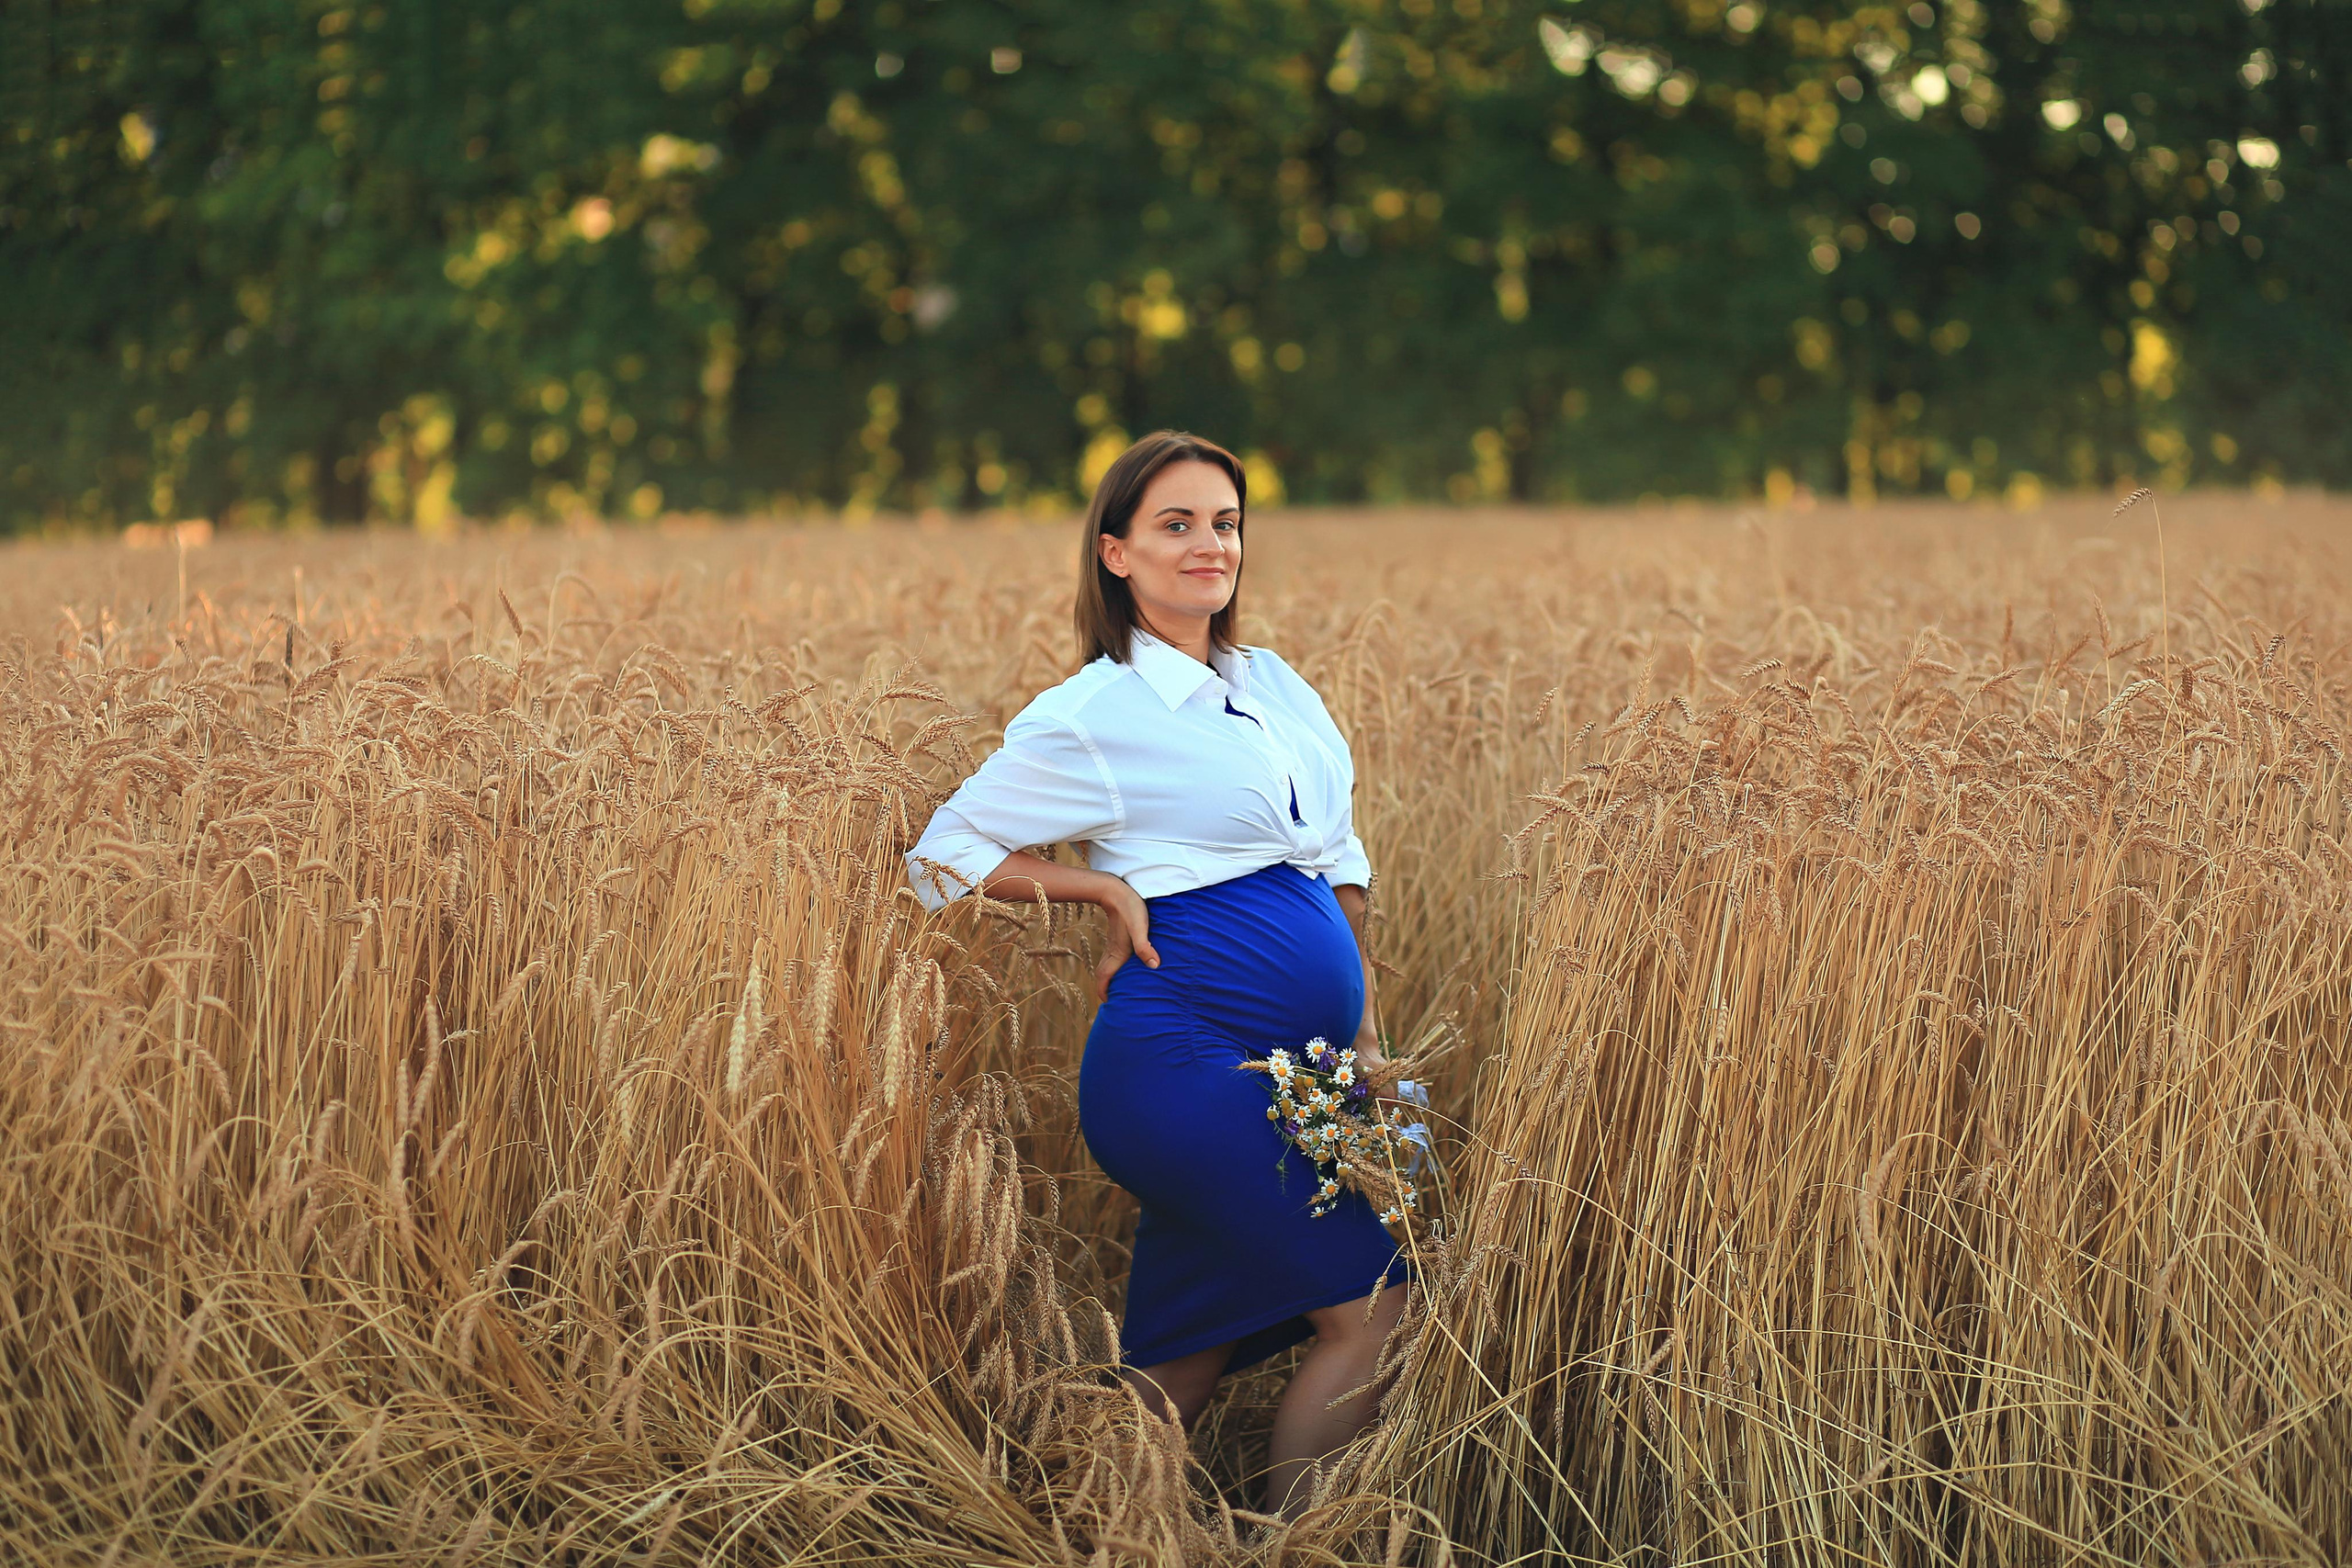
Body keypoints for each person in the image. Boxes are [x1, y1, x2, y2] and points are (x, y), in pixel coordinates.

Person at [904, 430, 1409, 1517]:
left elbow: (1337, 860)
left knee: (1186, 1350)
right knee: (1375, 1311)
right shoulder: (1096, 712)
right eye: (1175, 525)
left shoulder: (1271, 683)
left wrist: (1359, 1033)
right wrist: (1100, 893)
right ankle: (1298, 1545)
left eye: (1223, 524)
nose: (1208, 546)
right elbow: (942, 853)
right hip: (1179, 1067)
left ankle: (1088, 1533)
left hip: (1298, 1067)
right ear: (1116, 552)